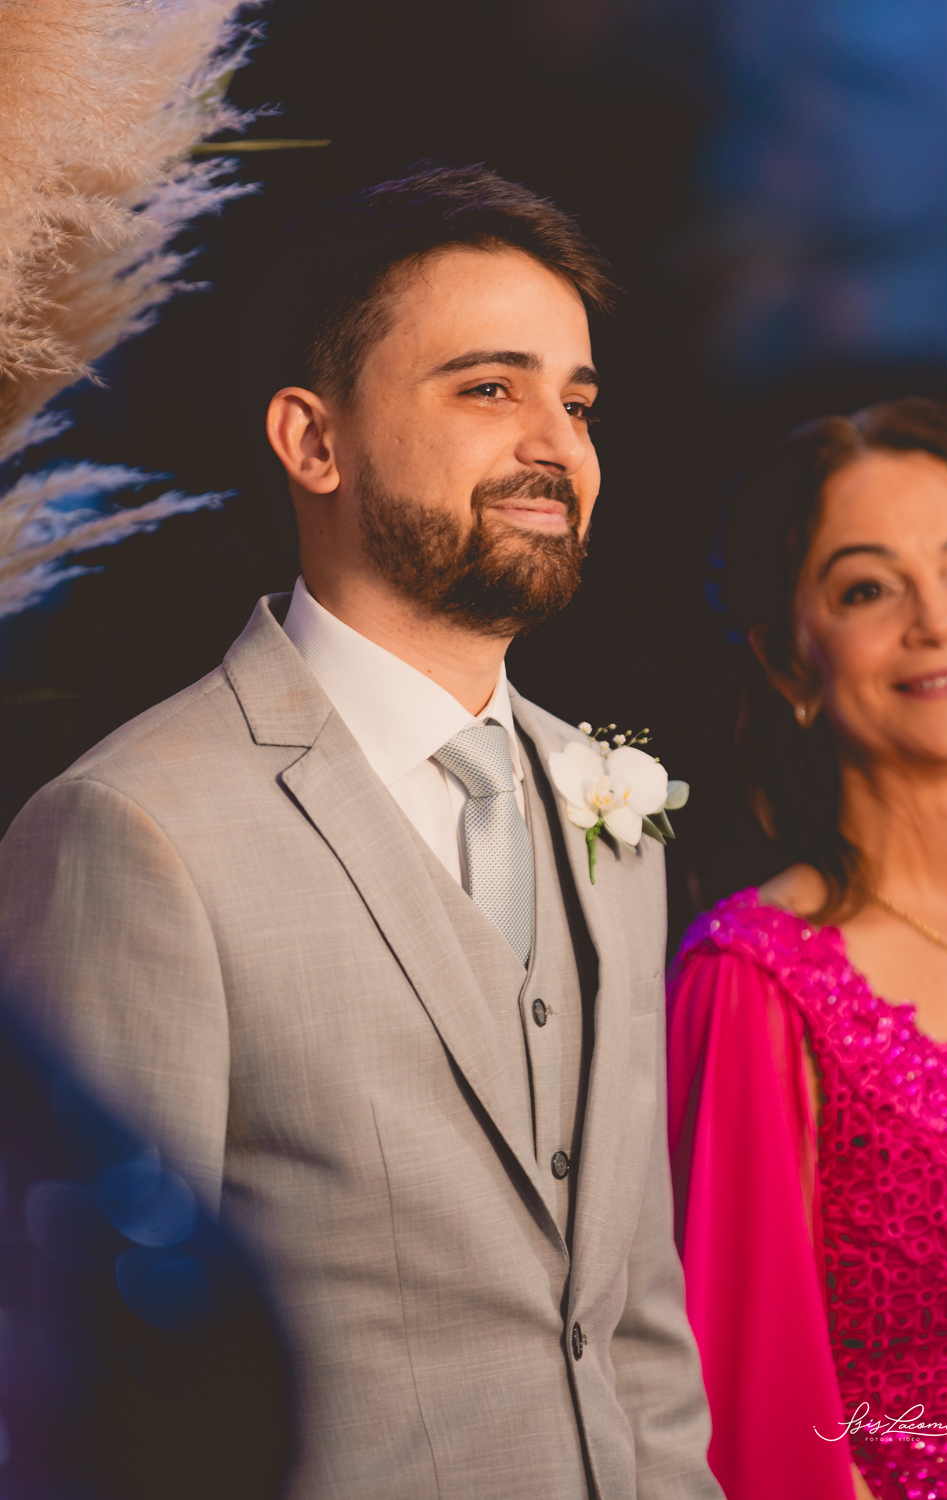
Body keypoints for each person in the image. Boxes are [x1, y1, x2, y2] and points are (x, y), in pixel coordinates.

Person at [0, 164, 719, 1500]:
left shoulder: (612, 803)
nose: (556, 446)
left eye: (577, 403)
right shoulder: (134, 829)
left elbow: (634, 1329)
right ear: (312, 441)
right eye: (490, 388)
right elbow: (110, 1392)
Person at [666, 397, 947, 1500]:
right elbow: (755, 1432)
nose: (937, 620)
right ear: (789, 664)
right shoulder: (753, 980)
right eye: (867, 589)